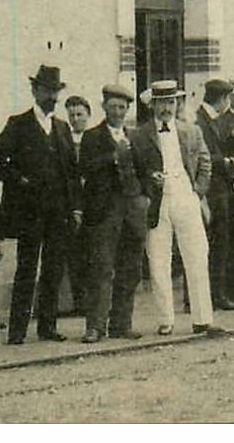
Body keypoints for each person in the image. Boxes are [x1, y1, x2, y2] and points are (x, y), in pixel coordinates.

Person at [0, 64, 81, 344]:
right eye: (46, 90)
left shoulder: (62, 128)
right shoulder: (19, 124)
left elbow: (72, 173)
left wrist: (75, 207)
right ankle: (17, 331)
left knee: (53, 269)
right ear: (34, 90)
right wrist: (20, 180)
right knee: (27, 269)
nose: (51, 96)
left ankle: (47, 327)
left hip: (58, 212)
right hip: (29, 212)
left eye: (55, 91)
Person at [130, 79, 223, 337]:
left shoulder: (191, 131)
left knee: (197, 255)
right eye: (160, 103)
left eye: (170, 102)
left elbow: (205, 162)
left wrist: (197, 192)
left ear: (176, 104)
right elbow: (134, 170)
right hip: (157, 202)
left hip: (185, 197)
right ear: (152, 105)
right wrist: (149, 181)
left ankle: (203, 319)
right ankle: (165, 320)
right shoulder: (139, 135)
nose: (166, 108)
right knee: (158, 260)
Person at [76, 80, 148, 343]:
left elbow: (144, 169)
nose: (117, 112)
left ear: (127, 109)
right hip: (105, 212)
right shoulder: (92, 137)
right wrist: (113, 157)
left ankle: (121, 324)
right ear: (103, 107)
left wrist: (145, 197)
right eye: (112, 106)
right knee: (102, 269)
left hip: (132, 210)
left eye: (122, 107)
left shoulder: (135, 136)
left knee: (130, 269)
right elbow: (85, 168)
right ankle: (95, 326)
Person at [193, 78, 234, 311]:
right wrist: (224, 161)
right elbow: (198, 155)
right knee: (216, 241)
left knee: (216, 241)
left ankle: (214, 293)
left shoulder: (211, 120)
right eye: (228, 98)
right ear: (223, 99)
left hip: (218, 188)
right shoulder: (200, 121)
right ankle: (215, 295)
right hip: (211, 189)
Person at [63, 94, 93, 318]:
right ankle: (79, 299)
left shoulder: (95, 138)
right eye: (71, 115)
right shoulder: (64, 139)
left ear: (88, 115)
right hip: (72, 202)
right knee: (75, 252)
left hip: (94, 201)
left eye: (80, 114)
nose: (75, 119)